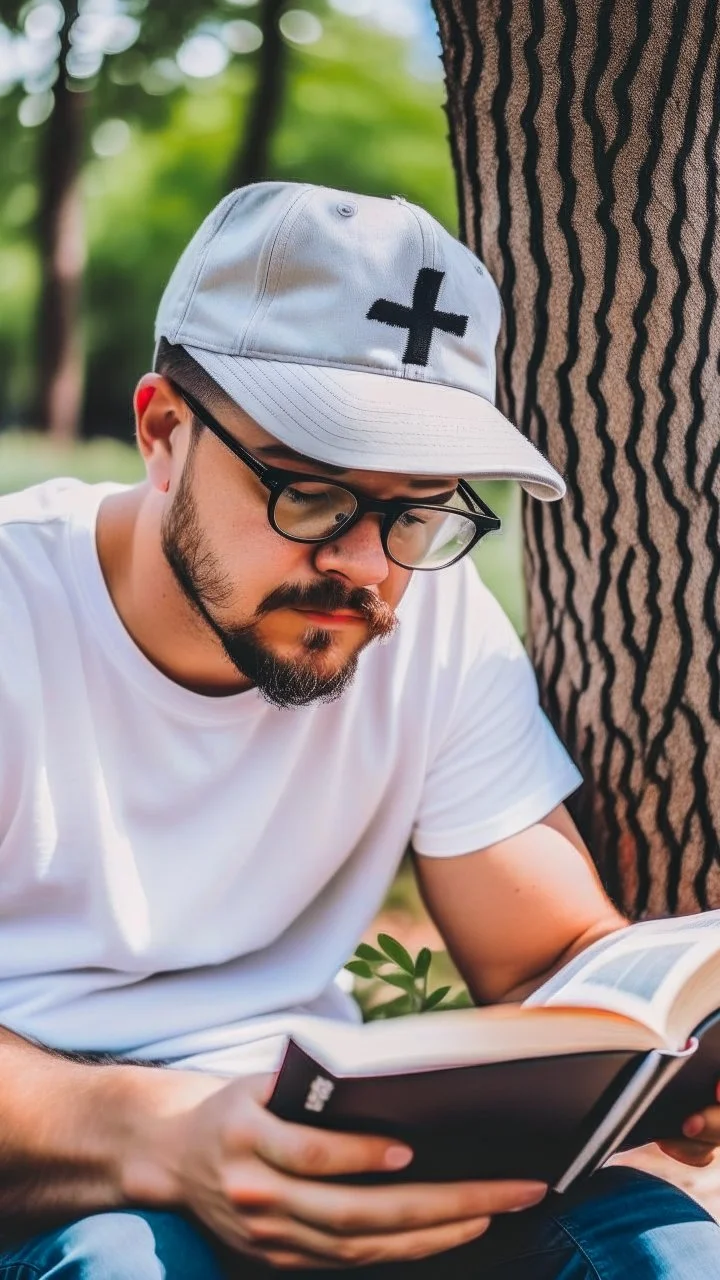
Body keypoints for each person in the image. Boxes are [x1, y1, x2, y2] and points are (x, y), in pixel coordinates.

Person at [0, 182, 718, 1280]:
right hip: (67, 1169)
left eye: (417, 509)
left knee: (658, 1250)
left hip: (331, 1144)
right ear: (162, 429)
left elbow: (546, 954)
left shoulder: (432, 619)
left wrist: (668, 1055)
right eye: (314, 494)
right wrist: (165, 1135)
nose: (369, 566)